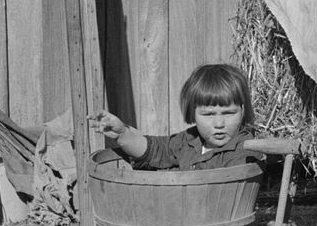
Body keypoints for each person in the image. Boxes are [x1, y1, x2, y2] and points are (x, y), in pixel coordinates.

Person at [88, 63, 259, 171]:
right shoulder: (188, 141)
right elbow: (155, 150)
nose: (219, 123)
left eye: (229, 113)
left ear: (243, 111)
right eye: (208, 114)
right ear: (193, 113)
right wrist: (122, 134)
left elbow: (228, 189)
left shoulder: (243, 150)